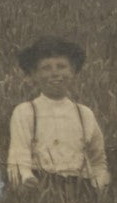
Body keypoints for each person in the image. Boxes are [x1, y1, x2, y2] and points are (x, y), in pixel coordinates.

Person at [7, 37, 109, 191]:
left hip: (80, 186)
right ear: (34, 74)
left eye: (61, 67)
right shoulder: (26, 111)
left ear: (73, 71)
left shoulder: (84, 114)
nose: (55, 73)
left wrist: (98, 186)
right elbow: (18, 157)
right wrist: (27, 179)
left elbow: (98, 161)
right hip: (41, 184)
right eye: (46, 68)